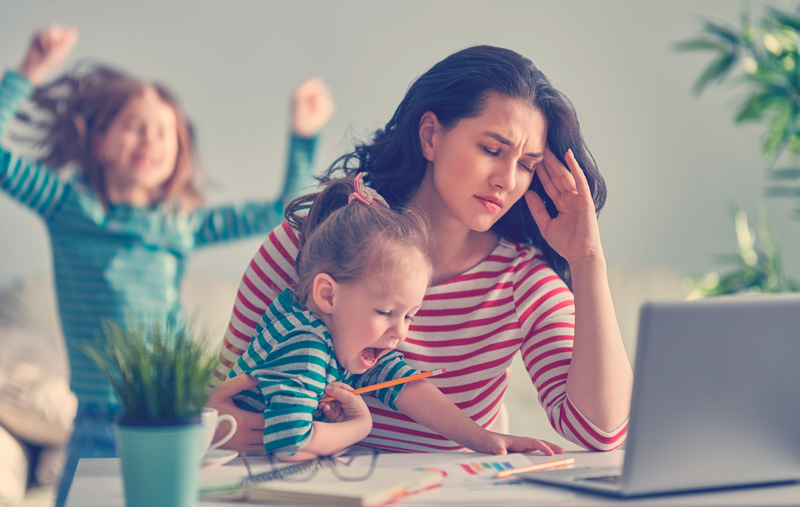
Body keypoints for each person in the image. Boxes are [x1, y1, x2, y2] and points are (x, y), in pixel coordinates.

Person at [208, 45, 633, 455]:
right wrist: (216, 427)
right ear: (430, 136)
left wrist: (587, 260)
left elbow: (600, 432)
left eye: (526, 165)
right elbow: (218, 394)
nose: (507, 180)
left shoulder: (521, 281)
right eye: (491, 150)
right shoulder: (312, 242)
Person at [0, 25, 334, 506]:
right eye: (135, 125)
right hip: (99, 420)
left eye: (165, 132)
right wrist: (28, 72)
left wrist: (303, 136)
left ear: (178, 153)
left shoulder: (181, 223)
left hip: (177, 413)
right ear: (99, 143)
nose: (151, 138)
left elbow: (286, 207)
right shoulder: (67, 207)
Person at [230, 173, 563, 460]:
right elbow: (289, 445)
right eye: (386, 312)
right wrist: (358, 427)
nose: (399, 334)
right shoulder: (305, 347)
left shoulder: (333, 332)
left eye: (409, 317)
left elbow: (404, 384)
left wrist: (482, 438)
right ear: (328, 295)